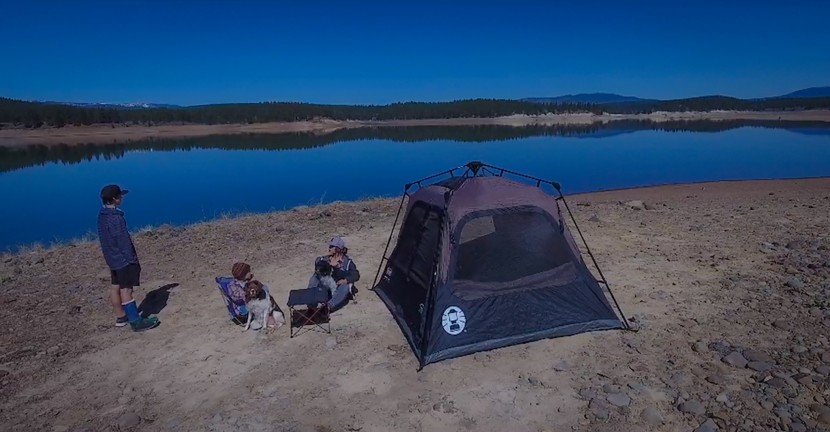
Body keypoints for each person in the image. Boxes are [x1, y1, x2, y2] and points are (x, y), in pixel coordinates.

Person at [97, 184, 159, 332]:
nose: (122, 198)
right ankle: (136, 322)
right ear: (114, 199)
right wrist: (132, 260)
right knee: (126, 290)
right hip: (123, 260)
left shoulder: (102, 215)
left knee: (115, 287)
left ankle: (121, 316)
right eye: (120, 196)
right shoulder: (115, 218)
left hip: (112, 259)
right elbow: (123, 241)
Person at [307, 236, 360, 312]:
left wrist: (345, 279)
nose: (329, 248)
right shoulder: (325, 259)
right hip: (326, 287)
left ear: (338, 249)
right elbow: (317, 264)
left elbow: (356, 275)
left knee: (346, 286)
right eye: (329, 246)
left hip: (338, 288)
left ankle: (328, 307)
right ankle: (311, 302)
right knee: (314, 278)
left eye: (332, 247)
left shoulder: (347, 262)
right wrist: (328, 264)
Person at [230, 262, 283, 329]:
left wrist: (254, 283)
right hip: (245, 308)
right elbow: (243, 298)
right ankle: (269, 316)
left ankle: (271, 314)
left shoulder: (246, 281)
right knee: (264, 291)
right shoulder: (234, 287)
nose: (250, 273)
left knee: (264, 289)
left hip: (254, 302)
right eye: (248, 272)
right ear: (243, 274)